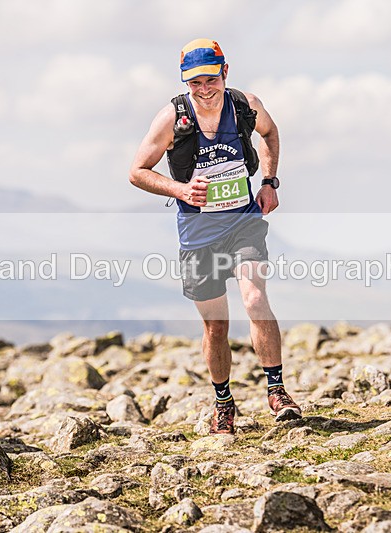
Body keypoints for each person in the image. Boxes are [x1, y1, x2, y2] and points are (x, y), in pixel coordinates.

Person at [130, 39, 301, 434]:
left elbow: (270, 133)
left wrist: (270, 182)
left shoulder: (245, 106)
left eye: (210, 80)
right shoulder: (172, 118)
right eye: (195, 83)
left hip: (243, 222)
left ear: (225, 72)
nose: (204, 89)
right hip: (198, 236)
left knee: (254, 299)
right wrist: (180, 189)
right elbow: (137, 171)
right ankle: (223, 403)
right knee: (216, 327)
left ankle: (277, 392)